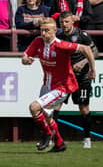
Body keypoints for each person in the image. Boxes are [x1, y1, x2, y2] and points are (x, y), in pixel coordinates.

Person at [22, 17, 96, 152]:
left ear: (55, 31)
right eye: (42, 30)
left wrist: (92, 70)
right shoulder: (38, 41)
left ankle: (47, 135)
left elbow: (86, 49)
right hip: (47, 86)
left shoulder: (61, 45)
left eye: (47, 31)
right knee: (47, 117)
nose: (44, 34)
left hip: (62, 87)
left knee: (34, 108)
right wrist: (26, 60)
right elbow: (25, 56)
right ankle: (59, 143)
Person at [53, 11, 98, 149]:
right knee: (56, 106)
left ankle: (87, 139)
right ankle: (53, 138)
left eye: (66, 21)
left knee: (83, 108)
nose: (64, 25)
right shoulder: (58, 36)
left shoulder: (82, 35)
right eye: (62, 22)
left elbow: (95, 51)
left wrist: (84, 63)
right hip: (65, 77)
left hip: (81, 76)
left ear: (72, 21)